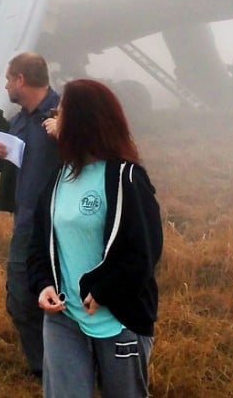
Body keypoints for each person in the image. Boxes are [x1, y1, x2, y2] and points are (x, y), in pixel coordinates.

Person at [28, 79, 162, 397]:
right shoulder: (60, 176)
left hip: (118, 318)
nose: (54, 115)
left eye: (61, 111)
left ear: (81, 120)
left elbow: (144, 252)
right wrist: (43, 283)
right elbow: (40, 243)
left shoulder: (126, 178)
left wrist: (103, 291)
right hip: (64, 317)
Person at [0, 52, 61, 377]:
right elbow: (17, 168)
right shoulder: (18, 122)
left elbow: (97, 154)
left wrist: (68, 131)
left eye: (8, 79)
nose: (5, 86)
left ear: (21, 80)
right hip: (26, 226)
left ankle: (70, 367)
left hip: (62, 228)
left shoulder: (65, 113)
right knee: (20, 301)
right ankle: (44, 369)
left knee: (65, 301)